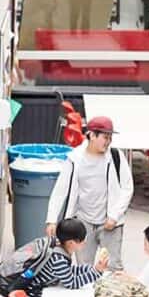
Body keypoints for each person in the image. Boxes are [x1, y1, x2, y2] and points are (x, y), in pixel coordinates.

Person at [43, 116, 134, 271]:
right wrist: (51, 219)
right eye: (105, 137)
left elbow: (127, 188)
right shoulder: (74, 159)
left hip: (110, 223)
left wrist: (114, 215)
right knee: (83, 268)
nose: (108, 141)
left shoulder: (116, 157)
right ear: (91, 135)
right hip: (83, 222)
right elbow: (60, 190)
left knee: (113, 268)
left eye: (110, 137)